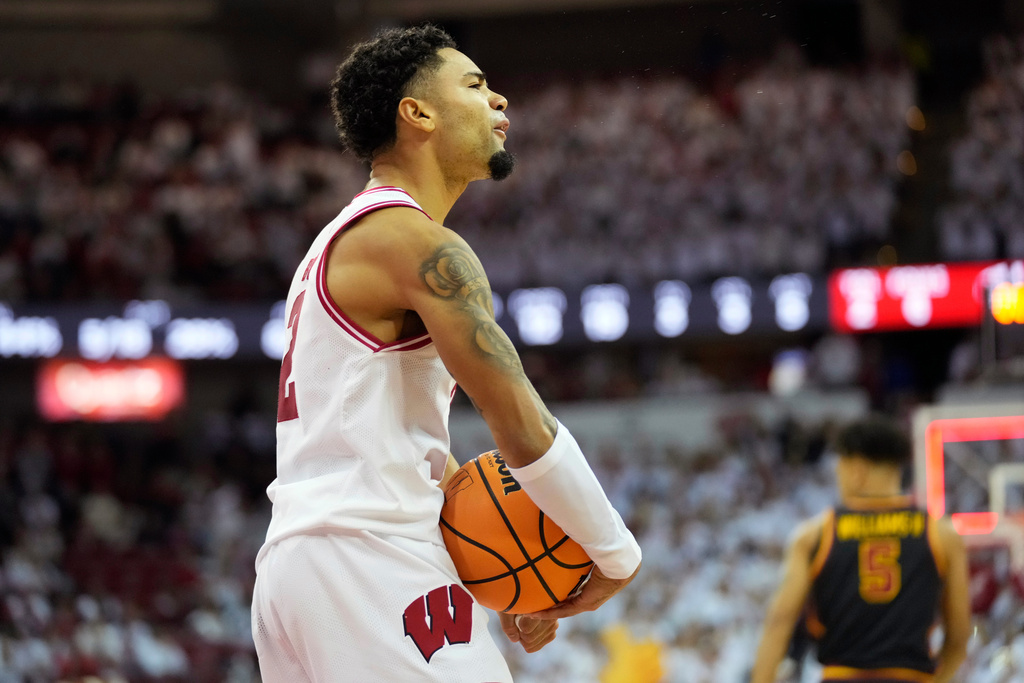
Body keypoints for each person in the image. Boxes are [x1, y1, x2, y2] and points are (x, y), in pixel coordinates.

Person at [250, 24, 642, 682]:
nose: (499, 100)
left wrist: (503, 571)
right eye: (475, 84)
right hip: (369, 561)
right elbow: (516, 415)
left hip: (301, 568)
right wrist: (614, 551)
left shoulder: (333, 244)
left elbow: (399, 439)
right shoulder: (418, 244)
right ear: (419, 113)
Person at [751, 415, 970, 683]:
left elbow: (779, 621)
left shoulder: (815, 535)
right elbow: (959, 636)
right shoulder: (941, 535)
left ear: (856, 470)